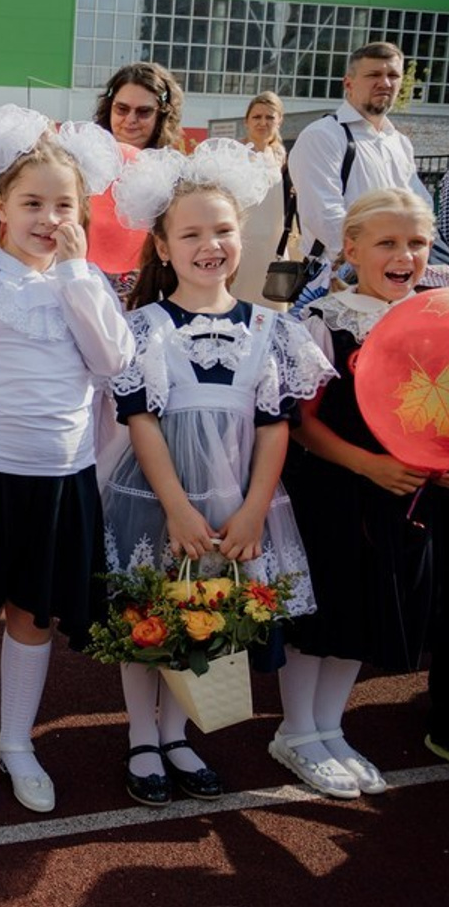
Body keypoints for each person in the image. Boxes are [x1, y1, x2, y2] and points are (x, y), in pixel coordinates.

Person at [0, 106, 133, 819]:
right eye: (32, 202)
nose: (47, 217)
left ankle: (15, 744)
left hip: (62, 481)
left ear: (84, 212)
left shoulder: (84, 281)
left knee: (34, 618)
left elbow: (115, 362)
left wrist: (76, 274)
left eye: (63, 206)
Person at [101, 141, 331, 806]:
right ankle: (142, 736)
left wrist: (255, 509)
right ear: (164, 248)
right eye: (192, 233)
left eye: (223, 230)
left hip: (237, 499)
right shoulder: (142, 329)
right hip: (157, 496)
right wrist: (174, 508)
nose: (211, 244)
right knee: (150, 612)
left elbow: (274, 425)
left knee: (211, 613)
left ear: (241, 236)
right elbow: (141, 420)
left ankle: (179, 732)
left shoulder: (272, 331)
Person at [273, 189, 443, 798]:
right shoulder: (324, 321)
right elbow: (300, 420)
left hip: (395, 497)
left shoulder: (430, 316)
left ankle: (329, 727)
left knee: (365, 610)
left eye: (417, 243)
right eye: (388, 243)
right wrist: (366, 465)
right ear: (351, 248)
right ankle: (295, 731)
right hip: (333, 491)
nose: (405, 255)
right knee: (321, 612)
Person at [287, 42, 434, 273]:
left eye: (393, 75)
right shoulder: (323, 135)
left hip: (396, 276)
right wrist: (368, 264)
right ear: (348, 83)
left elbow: (422, 208)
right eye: (374, 74)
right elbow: (325, 215)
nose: (385, 83)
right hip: (340, 278)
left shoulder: (398, 142)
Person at [87, 62, 187, 304]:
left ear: (163, 114)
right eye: (121, 109)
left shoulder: (176, 174)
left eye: (143, 112)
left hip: (150, 292)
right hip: (84, 289)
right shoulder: (82, 162)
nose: (130, 119)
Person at [230, 92, 294, 311]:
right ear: (247, 120)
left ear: (279, 121)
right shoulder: (234, 153)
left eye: (269, 117)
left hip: (273, 244)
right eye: (257, 117)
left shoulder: (281, 156)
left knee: (272, 304)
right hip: (243, 241)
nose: (263, 122)